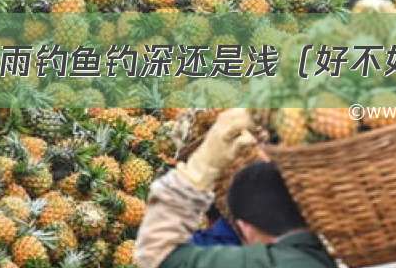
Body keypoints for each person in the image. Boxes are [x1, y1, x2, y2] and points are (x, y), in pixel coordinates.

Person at [135, 108, 337, 268]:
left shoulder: (266, 262)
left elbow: (158, 255)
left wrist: (201, 167)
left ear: (244, 228)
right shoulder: (344, 254)